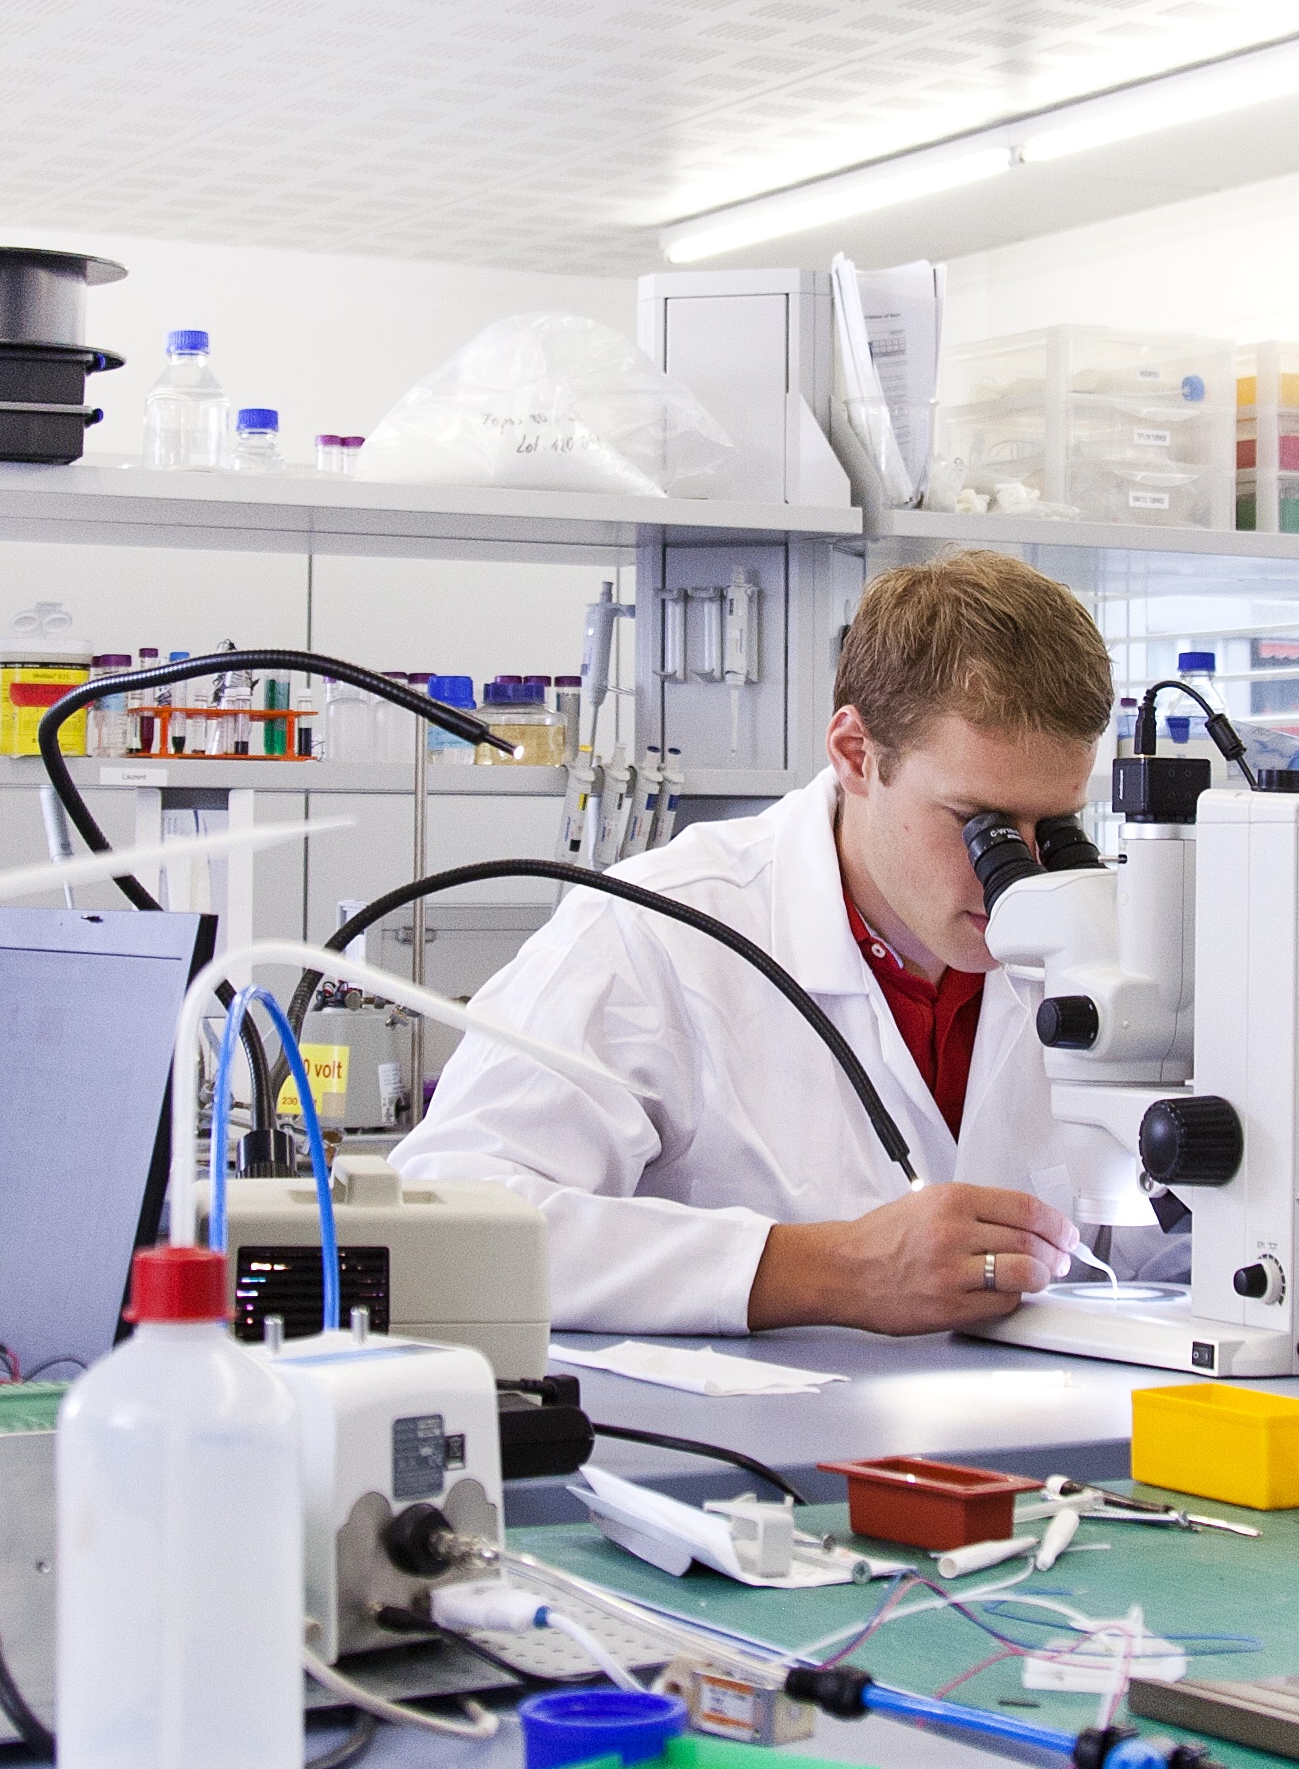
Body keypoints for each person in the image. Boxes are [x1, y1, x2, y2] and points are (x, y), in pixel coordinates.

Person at [392, 551, 1118, 1336]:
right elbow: (441, 1221)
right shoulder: (658, 931)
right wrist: (822, 1270)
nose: (1020, 873)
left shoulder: (1096, 943)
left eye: (1056, 828)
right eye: (981, 826)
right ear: (855, 755)